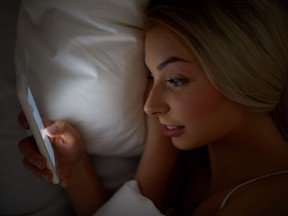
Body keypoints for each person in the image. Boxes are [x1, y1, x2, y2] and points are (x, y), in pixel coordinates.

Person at [18, 0, 288, 215]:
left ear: (241, 73)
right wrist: (75, 170)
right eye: (150, 76)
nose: (149, 106)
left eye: (175, 80)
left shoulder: (271, 201)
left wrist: (159, 148)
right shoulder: (195, 170)